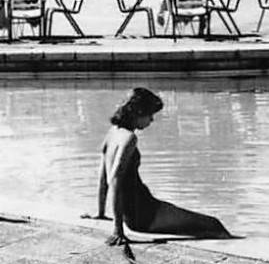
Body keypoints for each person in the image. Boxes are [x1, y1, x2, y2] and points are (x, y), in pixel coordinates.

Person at [85, 87, 231, 246]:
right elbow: (114, 180)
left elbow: (103, 178)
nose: (152, 120)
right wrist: (117, 231)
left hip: (133, 216)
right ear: (139, 112)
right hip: (146, 212)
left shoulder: (112, 133)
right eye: (150, 115)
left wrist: (100, 213)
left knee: (198, 227)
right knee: (213, 224)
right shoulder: (129, 138)